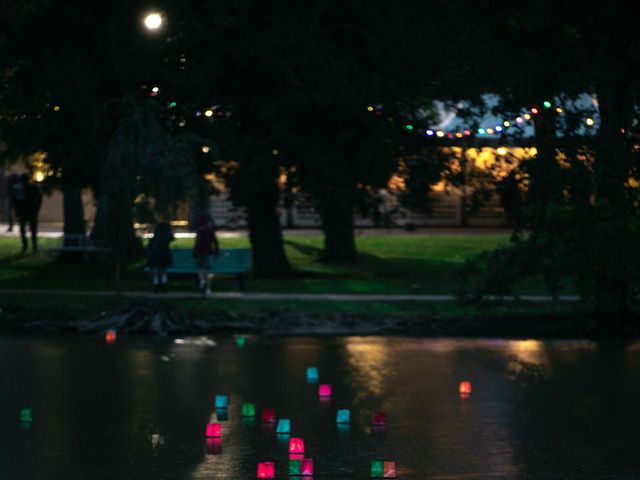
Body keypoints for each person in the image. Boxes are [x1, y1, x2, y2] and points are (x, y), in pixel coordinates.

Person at [13, 173, 42, 253]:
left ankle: (30, 246)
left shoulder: (26, 188)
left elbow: (15, 201)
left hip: (28, 212)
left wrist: (36, 209)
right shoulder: (22, 188)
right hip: (28, 212)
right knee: (29, 230)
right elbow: (15, 201)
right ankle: (31, 246)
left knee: (28, 230)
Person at [193, 214, 219, 296]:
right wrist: (216, 252)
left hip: (200, 253)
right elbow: (215, 242)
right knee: (209, 271)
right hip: (209, 252)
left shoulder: (199, 231)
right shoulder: (210, 230)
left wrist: (194, 252)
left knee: (200, 269)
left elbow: (196, 244)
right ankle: (208, 288)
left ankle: (202, 280)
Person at [147, 221, 174, 293]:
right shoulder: (166, 238)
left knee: (155, 271)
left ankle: (156, 285)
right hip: (163, 257)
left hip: (154, 258)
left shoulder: (154, 239)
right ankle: (163, 285)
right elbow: (172, 238)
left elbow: (149, 248)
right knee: (163, 271)